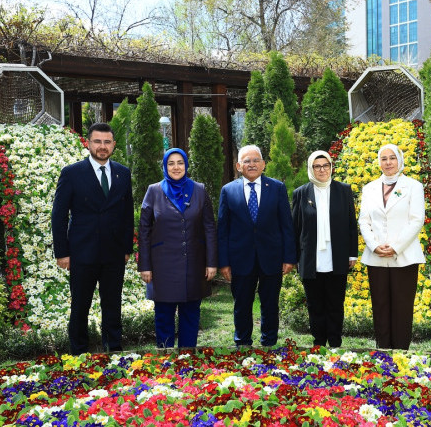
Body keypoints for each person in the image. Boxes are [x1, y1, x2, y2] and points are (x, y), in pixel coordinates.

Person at [52, 122, 134, 354]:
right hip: (81, 253)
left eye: (107, 142)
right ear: (88, 143)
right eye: (97, 141)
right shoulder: (72, 173)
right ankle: (78, 354)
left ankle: (114, 352)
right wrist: (62, 252)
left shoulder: (122, 172)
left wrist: (126, 248)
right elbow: (58, 216)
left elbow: (127, 213)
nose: (102, 146)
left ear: (114, 145)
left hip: (114, 253)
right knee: (80, 306)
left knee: (112, 306)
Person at [217, 144, 296, 347]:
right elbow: (223, 230)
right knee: (242, 305)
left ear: (263, 165)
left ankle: (269, 343)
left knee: (270, 304)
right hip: (240, 259)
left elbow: (287, 225)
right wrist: (224, 263)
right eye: (246, 161)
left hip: (272, 258)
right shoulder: (228, 191)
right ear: (238, 165)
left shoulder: (277, 188)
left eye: (255, 160)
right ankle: (242, 343)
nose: (251, 164)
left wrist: (289, 258)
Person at [138, 148, 217, 348]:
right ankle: (165, 358)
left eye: (180, 162)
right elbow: (144, 230)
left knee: (191, 315)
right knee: (163, 315)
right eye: (171, 163)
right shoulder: (153, 191)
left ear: (186, 165)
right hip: (162, 267)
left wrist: (211, 263)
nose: (176, 167)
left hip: (194, 265)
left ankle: (186, 358)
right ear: (165, 166)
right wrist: (144, 266)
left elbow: (209, 227)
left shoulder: (199, 189)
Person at [358, 144, 425, 350]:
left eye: (392, 158)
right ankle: (383, 351)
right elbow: (364, 221)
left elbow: (416, 220)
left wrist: (395, 247)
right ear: (379, 162)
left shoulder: (414, 186)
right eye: (384, 158)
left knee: (402, 307)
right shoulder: (369, 189)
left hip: (404, 257)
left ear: (400, 161)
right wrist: (375, 245)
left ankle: (401, 352)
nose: (388, 162)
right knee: (380, 306)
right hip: (376, 257)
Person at [292, 151, 358, 348]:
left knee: (335, 305)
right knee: (315, 305)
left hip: (336, 256)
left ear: (331, 167)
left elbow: (351, 225)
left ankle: (336, 344)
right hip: (311, 259)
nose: (322, 169)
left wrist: (352, 253)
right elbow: (295, 228)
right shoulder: (301, 193)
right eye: (317, 166)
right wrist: (295, 258)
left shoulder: (343, 190)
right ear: (311, 169)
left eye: (326, 165)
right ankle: (318, 344)